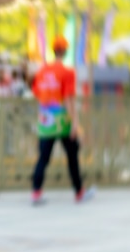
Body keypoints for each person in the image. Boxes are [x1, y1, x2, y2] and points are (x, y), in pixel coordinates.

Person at [28, 36, 95, 206]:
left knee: (43, 156)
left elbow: (36, 92)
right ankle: (79, 192)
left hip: (45, 118)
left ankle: (36, 192)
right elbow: (68, 98)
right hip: (62, 118)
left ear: (53, 50)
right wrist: (75, 123)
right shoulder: (68, 72)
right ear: (65, 51)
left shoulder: (42, 71)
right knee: (72, 155)